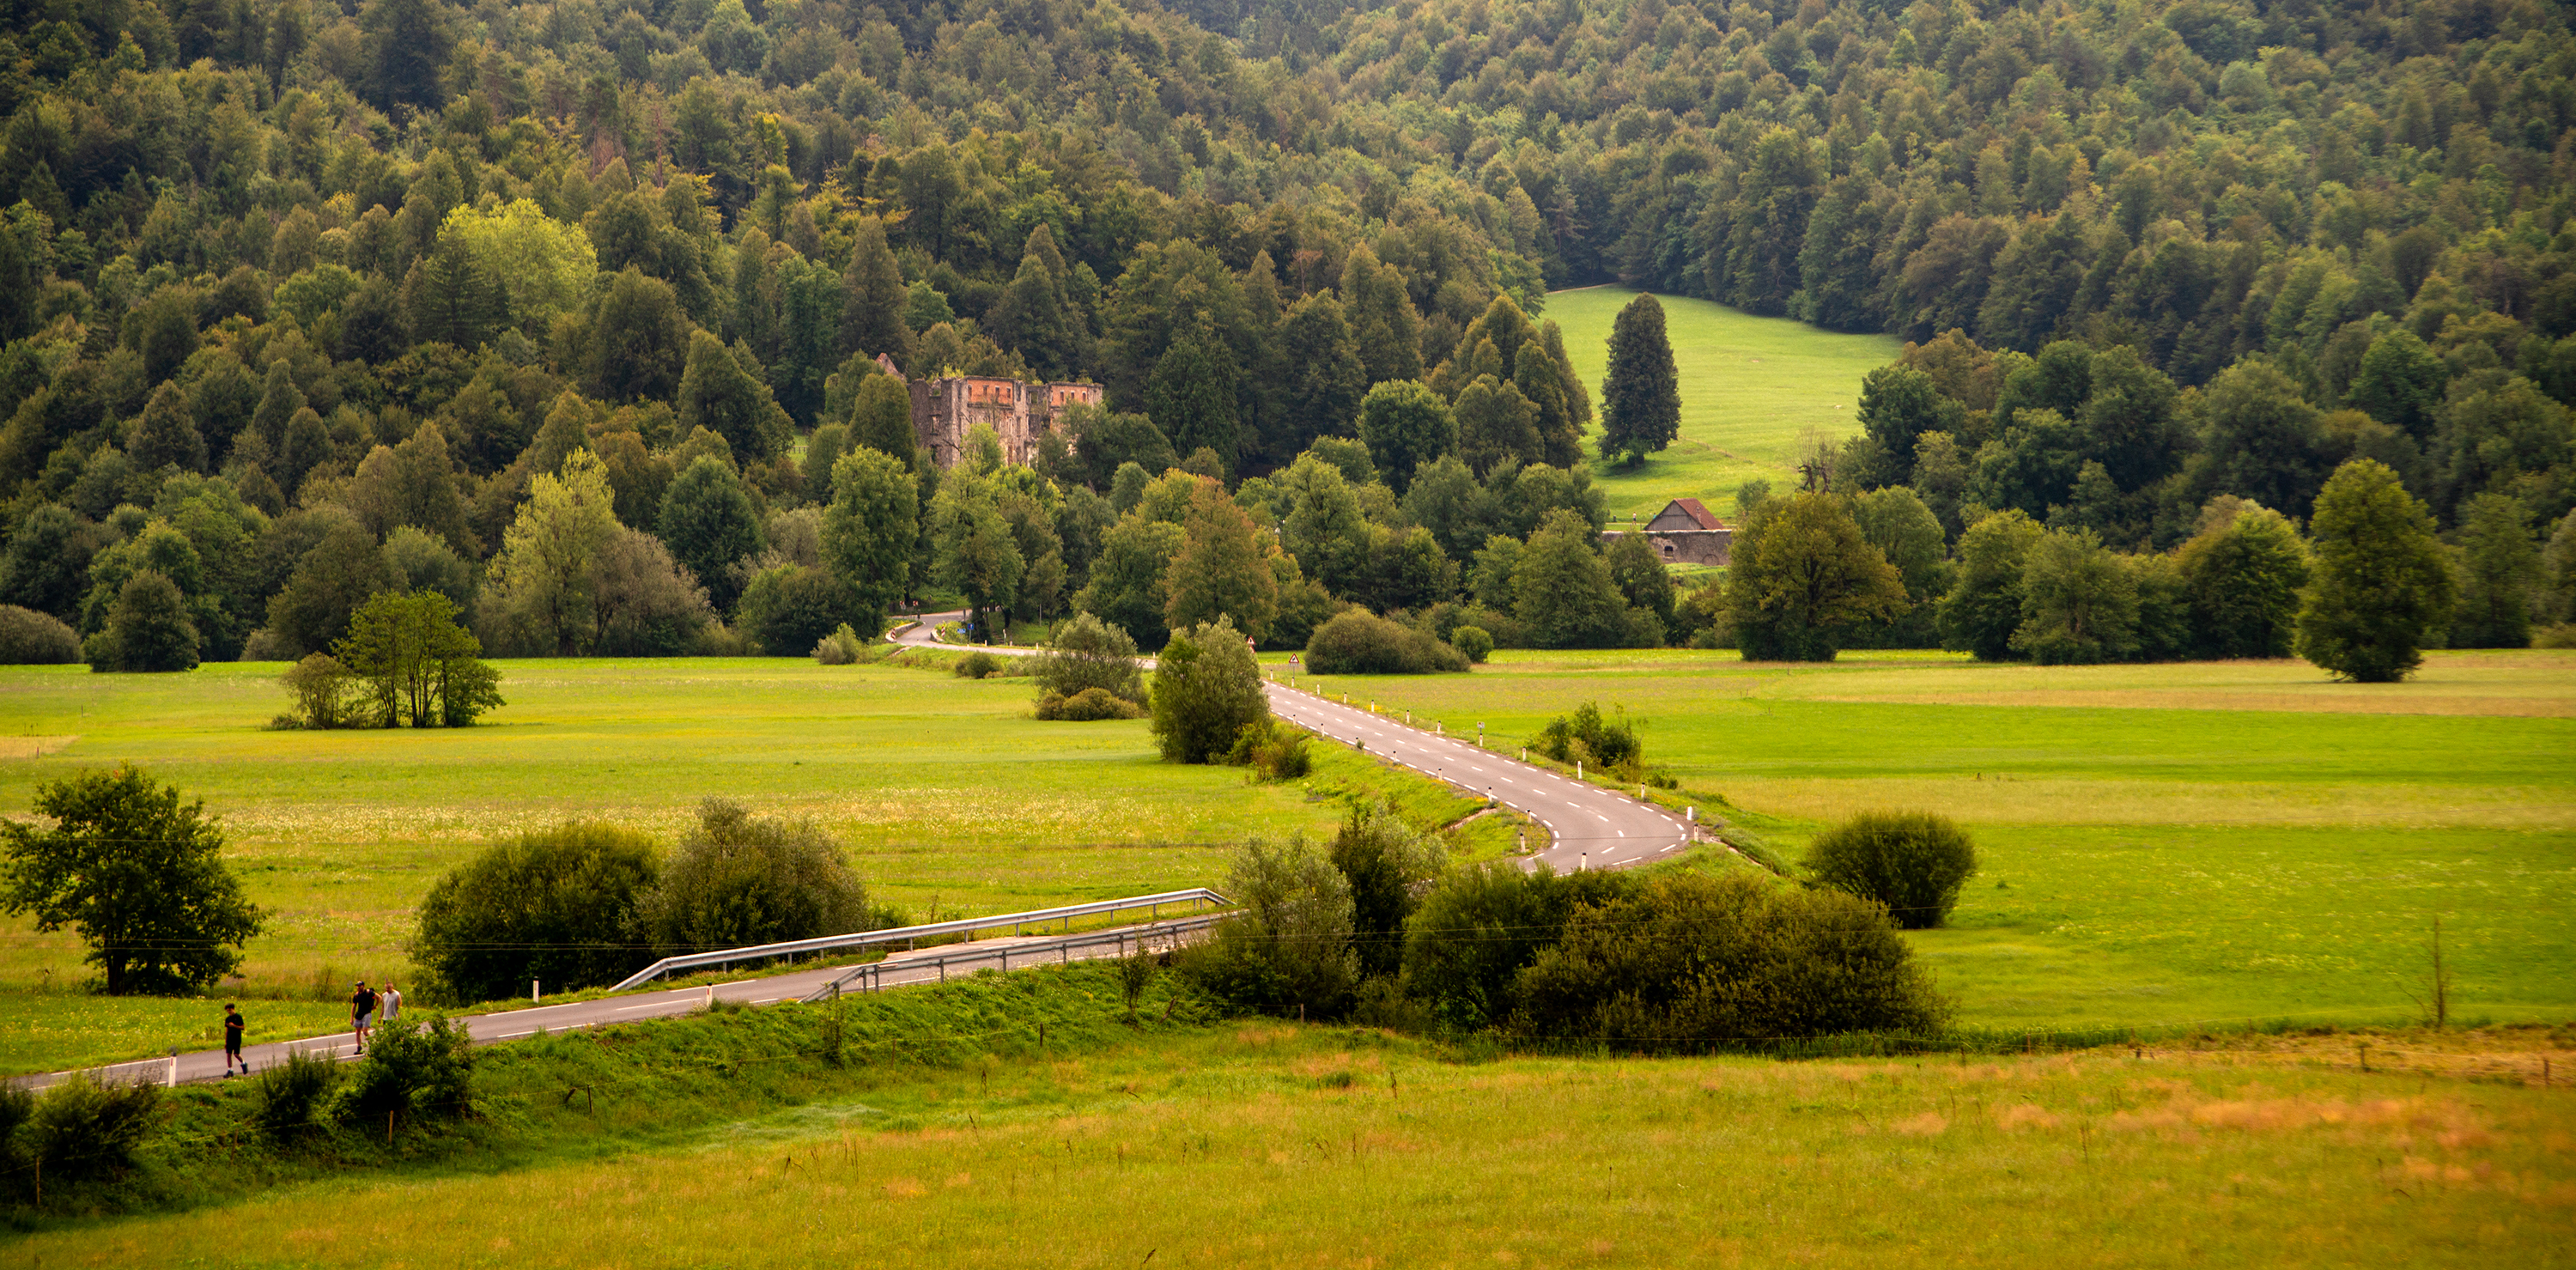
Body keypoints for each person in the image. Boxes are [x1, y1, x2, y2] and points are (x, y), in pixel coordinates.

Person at [351, 980, 379, 1053]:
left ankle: (373, 1045)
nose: (358, 988)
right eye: (357, 986)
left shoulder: (368, 993)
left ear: (363, 986)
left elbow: (379, 997)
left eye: (359, 986)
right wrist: (351, 1018)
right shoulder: (357, 995)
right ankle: (359, 1047)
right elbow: (354, 1006)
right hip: (359, 1014)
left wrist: (375, 1006)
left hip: (367, 1013)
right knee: (357, 1031)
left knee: (365, 1031)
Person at [222, 1003, 246, 1077]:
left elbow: (242, 1027)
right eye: (227, 1011)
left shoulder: (238, 1017)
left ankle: (243, 1063)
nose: (229, 1012)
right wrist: (226, 1041)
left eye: (230, 1010)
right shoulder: (228, 1019)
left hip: (236, 1038)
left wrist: (234, 1026)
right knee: (228, 1054)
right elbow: (227, 1030)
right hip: (230, 1038)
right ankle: (230, 1070)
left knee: (236, 1054)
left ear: (233, 1009)